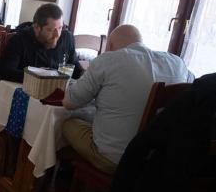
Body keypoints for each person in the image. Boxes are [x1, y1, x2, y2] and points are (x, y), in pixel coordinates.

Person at [62, 24, 194, 174]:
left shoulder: (108, 60)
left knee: (67, 124)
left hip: (115, 160)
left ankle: (66, 176)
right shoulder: (177, 63)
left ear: (110, 45)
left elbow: (69, 102)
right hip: (154, 160)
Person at [0, 3, 83, 82]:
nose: (57, 35)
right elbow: (4, 72)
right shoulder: (19, 40)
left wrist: (86, 75)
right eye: (50, 30)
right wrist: (38, 76)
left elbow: (75, 68)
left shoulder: (67, 38)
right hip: (28, 91)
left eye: (60, 28)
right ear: (36, 28)